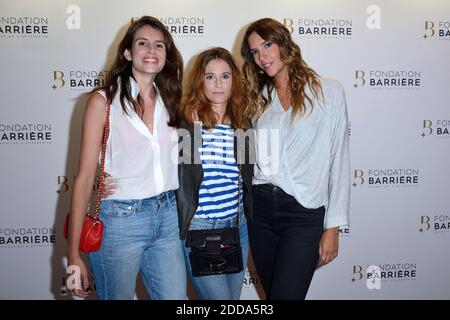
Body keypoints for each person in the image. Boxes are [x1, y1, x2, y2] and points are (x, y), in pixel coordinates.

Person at [66, 16, 187, 300]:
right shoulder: (102, 101)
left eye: (159, 45)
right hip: (121, 221)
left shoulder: (173, 99)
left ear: (166, 55)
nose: (151, 51)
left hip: (168, 218)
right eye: (142, 43)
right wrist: (73, 254)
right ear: (127, 52)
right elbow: (83, 178)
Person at [240, 18, 350, 300]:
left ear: (284, 43)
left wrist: (333, 228)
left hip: (304, 214)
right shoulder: (257, 99)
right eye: (254, 52)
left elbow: (339, 160)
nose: (262, 57)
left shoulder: (329, 92)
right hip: (260, 213)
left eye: (267, 45)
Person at [176, 47, 254, 300]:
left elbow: (248, 176)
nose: (218, 84)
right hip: (201, 228)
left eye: (225, 76)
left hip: (238, 226)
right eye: (210, 77)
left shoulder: (242, 121)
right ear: (200, 81)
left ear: (235, 79)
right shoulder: (189, 123)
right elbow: (168, 168)